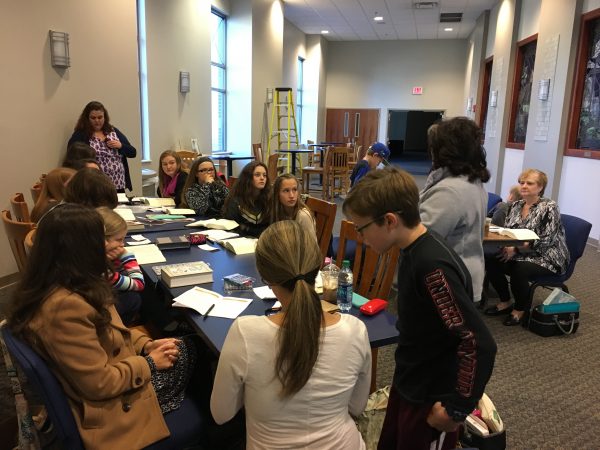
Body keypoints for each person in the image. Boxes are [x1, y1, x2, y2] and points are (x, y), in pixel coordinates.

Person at [5, 203, 198, 449]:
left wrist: (146, 344)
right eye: (101, 240)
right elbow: (99, 384)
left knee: (182, 348)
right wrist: (149, 362)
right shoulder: (65, 306)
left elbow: (112, 332)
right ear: (82, 248)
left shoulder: (65, 282)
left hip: (105, 380)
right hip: (108, 408)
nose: (109, 247)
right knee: (191, 351)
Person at [343, 167, 496, 450]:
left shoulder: (431, 266)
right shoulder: (411, 249)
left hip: (430, 400)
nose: (361, 238)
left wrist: (456, 410)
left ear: (389, 220)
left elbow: (478, 341)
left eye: (361, 229)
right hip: (410, 383)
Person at [211, 220, 371, 449]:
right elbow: (357, 407)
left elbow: (221, 414)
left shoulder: (245, 333)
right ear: (317, 266)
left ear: (265, 275)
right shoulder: (355, 330)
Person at [484, 169, 569, 326]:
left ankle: (520, 309)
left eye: (529, 183)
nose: (524, 186)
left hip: (548, 256)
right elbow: (510, 232)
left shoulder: (549, 207)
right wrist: (507, 246)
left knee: (520, 269)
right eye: (522, 182)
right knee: (491, 259)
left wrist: (515, 250)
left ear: (540, 187)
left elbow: (546, 240)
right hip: (521, 252)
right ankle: (505, 301)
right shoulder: (515, 206)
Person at [419, 117, 490, 303]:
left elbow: (420, 240)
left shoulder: (450, 191)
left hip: (447, 280)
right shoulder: (470, 181)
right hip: (463, 271)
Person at [68, 101, 136, 192]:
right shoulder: (80, 134)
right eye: (93, 118)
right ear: (87, 119)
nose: (97, 121)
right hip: (94, 184)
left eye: (100, 117)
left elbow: (133, 152)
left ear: (105, 117)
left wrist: (121, 146)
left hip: (118, 182)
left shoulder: (113, 131)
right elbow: (72, 156)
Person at [96, 207, 144, 326]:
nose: (122, 244)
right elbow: (138, 283)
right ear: (104, 240)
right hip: (101, 308)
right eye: (119, 240)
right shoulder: (103, 271)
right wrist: (126, 255)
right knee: (134, 298)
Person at [222, 161, 270, 237]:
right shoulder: (235, 200)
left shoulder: (269, 198)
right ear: (248, 178)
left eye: (264, 175)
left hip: (264, 241)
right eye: (257, 175)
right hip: (241, 242)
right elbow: (231, 228)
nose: (262, 178)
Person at [271, 173, 316, 239]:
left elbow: (311, 246)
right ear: (277, 194)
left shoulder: (303, 216)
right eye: (286, 191)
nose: (292, 195)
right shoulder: (278, 211)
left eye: (294, 190)